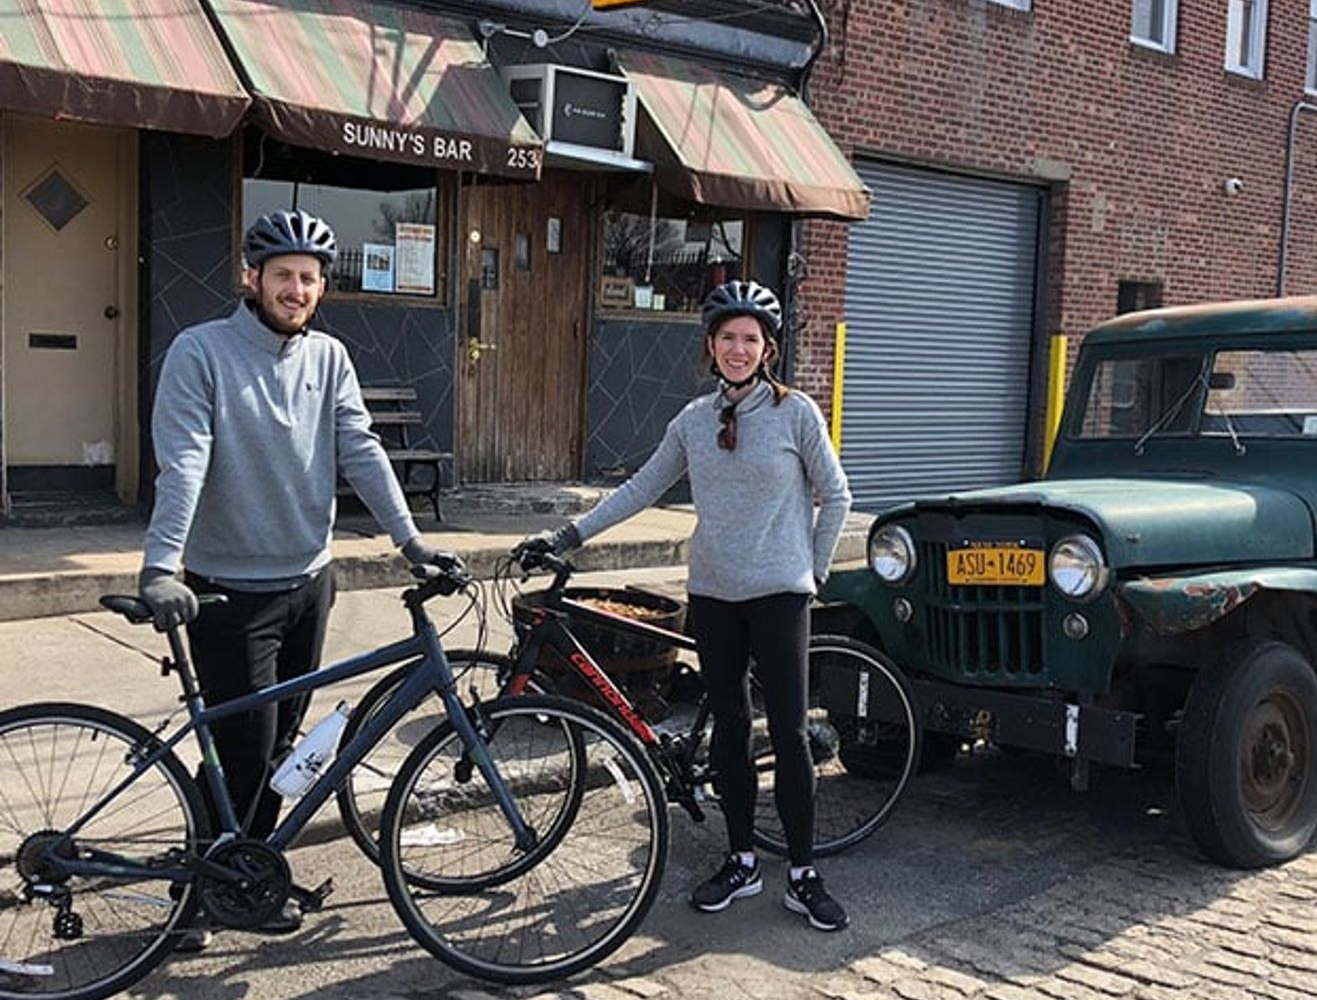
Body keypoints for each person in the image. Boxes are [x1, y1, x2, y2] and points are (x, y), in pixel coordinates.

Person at [138, 208, 455, 940]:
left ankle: (240, 878)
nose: (297, 289)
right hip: (225, 588)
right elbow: (182, 462)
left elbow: (361, 450)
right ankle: (199, 899)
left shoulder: (329, 358)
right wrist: (161, 566)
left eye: (309, 278)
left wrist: (410, 541)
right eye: (282, 275)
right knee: (244, 753)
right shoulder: (202, 352)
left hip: (309, 582)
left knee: (280, 749)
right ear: (251, 278)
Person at [523, 279, 853, 930]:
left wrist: (810, 572)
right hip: (714, 595)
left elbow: (836, 494)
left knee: (786, 733)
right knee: (730, 729)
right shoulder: (694, 421)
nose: (738, 349)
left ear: (768, 348)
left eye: (750, 339)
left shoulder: (796, 414)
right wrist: (568, 535)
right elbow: (642, 486)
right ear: (710, 345)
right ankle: (740, 860)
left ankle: (804, 873)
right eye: (727, 338)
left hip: (781, 596)